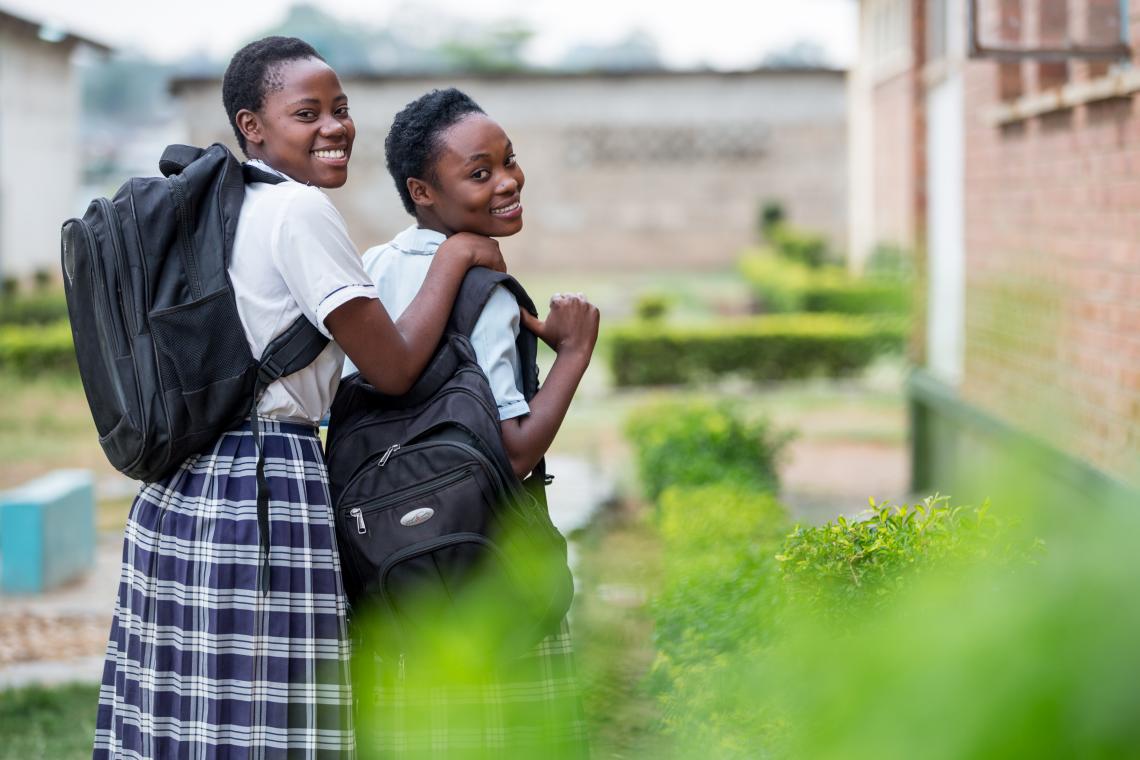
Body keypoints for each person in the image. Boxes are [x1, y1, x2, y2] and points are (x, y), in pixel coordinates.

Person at [93, 38, 505, 760]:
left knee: (193, 722)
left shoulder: (221, 209)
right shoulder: (297, 212)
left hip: (181, 493)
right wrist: (456, 255)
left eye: (341, 110)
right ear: (253, 125)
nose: (335, 128)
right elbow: (393, 366)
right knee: (272, 726)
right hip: (263, 491)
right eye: (307, 112)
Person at [348, 87, 598, 758]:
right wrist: (573, 355)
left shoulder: (373, 266)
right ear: (423, 190)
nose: (508, 182)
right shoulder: (482, 292)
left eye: (509, 161)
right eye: (479, 172)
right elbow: (511, 451)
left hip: (391, 566)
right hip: (482, 565)